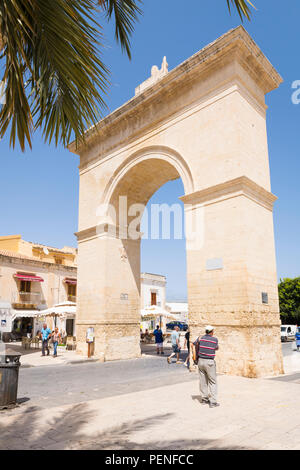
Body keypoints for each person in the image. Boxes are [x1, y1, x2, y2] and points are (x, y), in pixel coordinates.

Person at [192, 325, 220, 408]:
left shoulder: (200, 338)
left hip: (200, 361)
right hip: (209, 362)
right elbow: (216, 348)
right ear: (211, 332)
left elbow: (193, 344)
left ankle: (204, 399)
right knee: (212, 381)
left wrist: (194, 356)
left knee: (203, 381)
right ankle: (213, 402)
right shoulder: (214, 339)